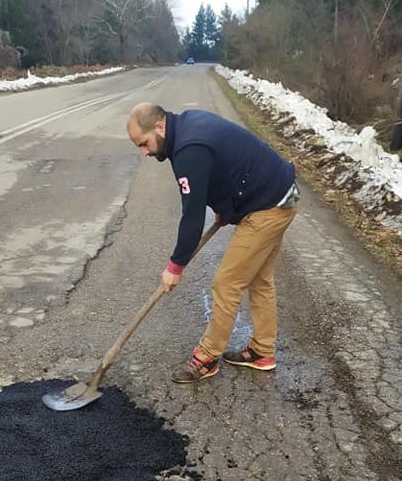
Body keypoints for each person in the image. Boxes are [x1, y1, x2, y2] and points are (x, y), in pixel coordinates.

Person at [126, 103, 300, 384]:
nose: (144, 152)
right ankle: (262, 351)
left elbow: (192, 216)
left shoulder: (187, 150)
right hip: (279, 193)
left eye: (144, 144)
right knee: (259, 279)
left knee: (227, 283)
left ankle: (207, 357)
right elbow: (222, 165)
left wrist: (176, 265)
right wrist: (226, 206)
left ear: (159, 126)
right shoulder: (186, 124)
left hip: (267, 205)